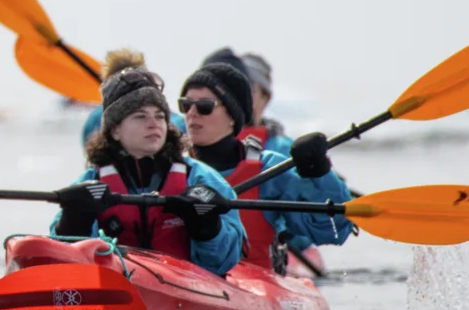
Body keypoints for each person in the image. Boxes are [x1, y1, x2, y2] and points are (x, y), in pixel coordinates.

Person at [53, 63, 247, 276]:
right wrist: (72, 222)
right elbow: (66, 262)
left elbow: (226, 262)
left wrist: (208, 227)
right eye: (140, 116)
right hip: (118, 287)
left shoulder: (200, 178)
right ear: (115, 130)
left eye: (160, 116)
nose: (154, 124)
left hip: (185, 293)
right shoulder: (92, 180)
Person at [176, 59, 354, 273]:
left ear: (233, 116)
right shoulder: (170, 167)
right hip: (182, 282)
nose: (192, 114)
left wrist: (319, 172)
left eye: (205, 106)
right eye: (185, 105)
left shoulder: (269, 169)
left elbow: (334, 231)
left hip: (255, 286)